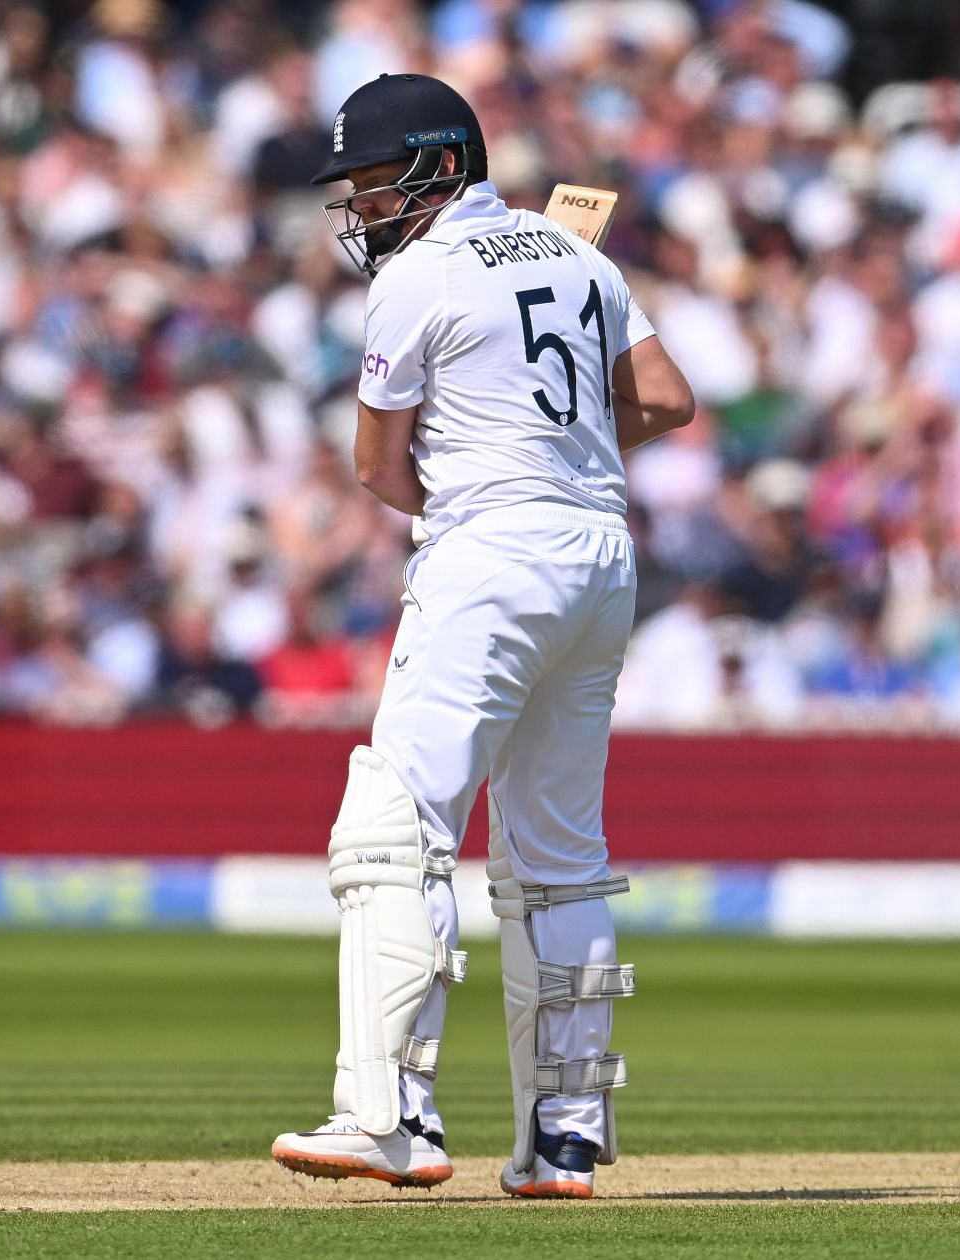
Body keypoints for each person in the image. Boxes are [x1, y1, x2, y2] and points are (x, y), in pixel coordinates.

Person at [270, 73, 694, 1199]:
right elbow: (665, 398)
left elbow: (375, 465)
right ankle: (566, 1134)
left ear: (441, 165)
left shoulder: (417, 277)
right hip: (601, 554)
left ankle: (388, 1112)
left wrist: (490, 491)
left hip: (490, 552)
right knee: (561, 860)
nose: (362, 210)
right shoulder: (582, 256)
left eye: (374, 184)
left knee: (393, 832)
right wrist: (559, 461)